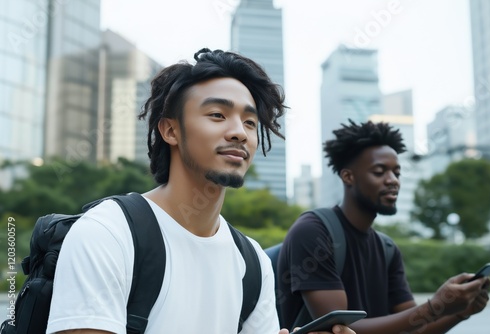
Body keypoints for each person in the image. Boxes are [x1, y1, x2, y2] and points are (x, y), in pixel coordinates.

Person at [46, 48, 356, 334]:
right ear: (171, 130)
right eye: (217, 115)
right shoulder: (108, 233)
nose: (239, 132)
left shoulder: (252, 262)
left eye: (250, 122)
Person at [277, 119, 490, 334]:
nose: (393, 181)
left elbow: (413, 329)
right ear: (348, 176)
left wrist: (461, 311)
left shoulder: (387, 249)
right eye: (379, 172)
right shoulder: (313, 231)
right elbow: (340, 329)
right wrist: (436, 306)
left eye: (396, 173)